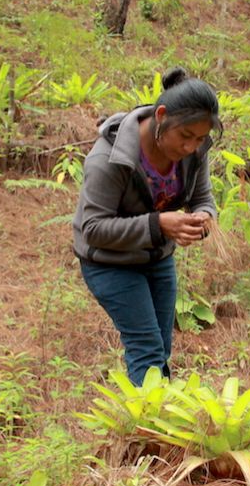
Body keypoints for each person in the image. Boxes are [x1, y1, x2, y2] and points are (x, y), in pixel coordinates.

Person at [72, 67, 222, 386]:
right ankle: (149, 430)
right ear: (162, 115)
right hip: (108, 262)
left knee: (161, 350)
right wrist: (159, 224)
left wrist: (204, 217)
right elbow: (94, 228)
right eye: (185, 137)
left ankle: (154, 417)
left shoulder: (193, 151)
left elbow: (203, 197)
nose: (191, 148)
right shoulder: (109, 159)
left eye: (200, 139)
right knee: (147, 350)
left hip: (156, 257)